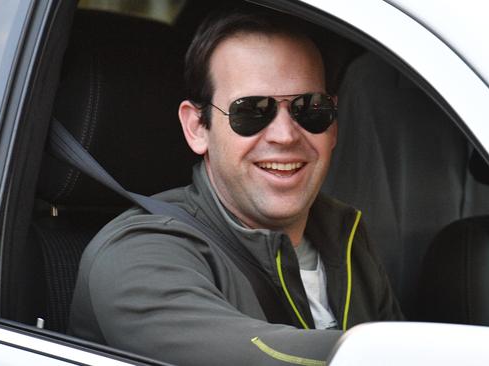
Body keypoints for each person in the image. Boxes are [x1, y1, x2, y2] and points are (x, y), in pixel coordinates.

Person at [69, 7, 403, 366]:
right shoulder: (135, 256)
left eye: (309, 108)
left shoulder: (347, 234)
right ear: (197, 127)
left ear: (333, 124)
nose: (285, 135)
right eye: (252, 111)